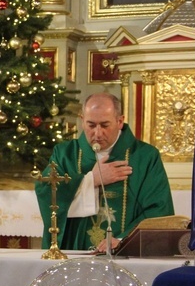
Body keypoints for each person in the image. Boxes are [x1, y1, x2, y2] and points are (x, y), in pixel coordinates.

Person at [35, 92, 174, 252]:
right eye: (91, 125)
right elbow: (46, 193)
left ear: (120, 121)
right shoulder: (65, 154)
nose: (98, 133)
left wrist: (124, 241)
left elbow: (158, 211)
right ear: (82, 121)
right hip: (74, 253)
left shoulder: (145, 156)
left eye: (105, 125)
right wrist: (91, 180)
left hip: (125, 255)